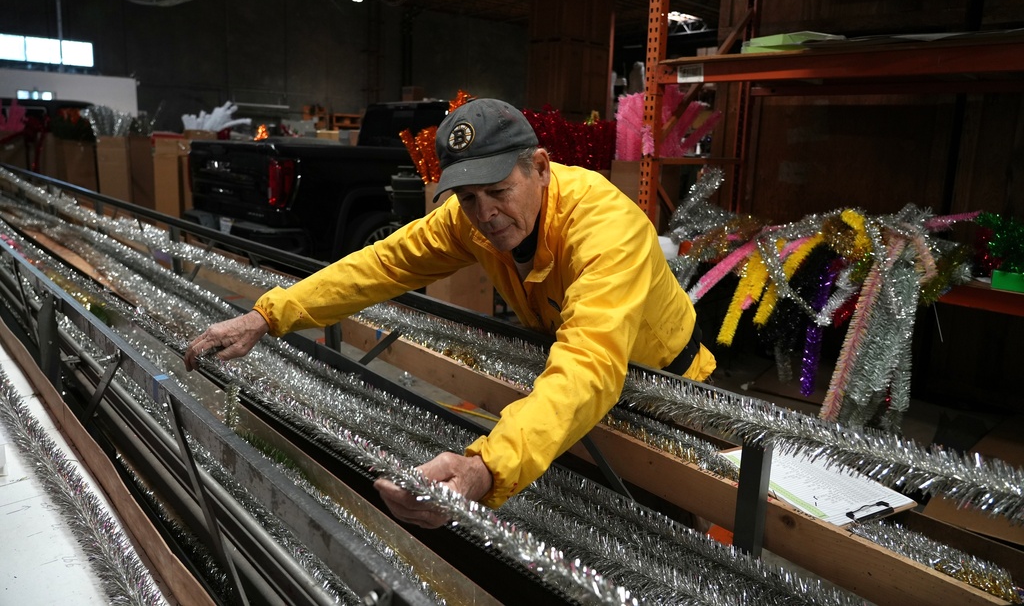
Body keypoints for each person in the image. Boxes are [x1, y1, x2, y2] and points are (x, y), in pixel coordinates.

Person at [184, 98, 715, 528]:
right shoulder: (472, 217)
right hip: (577, 397)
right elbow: (380, 265)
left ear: (540, 167)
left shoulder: (604, 230)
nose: (485, 215)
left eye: (498, 191)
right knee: (584, 519)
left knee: (654, 536)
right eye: (466, 198)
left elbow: (591, 362)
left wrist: (485, 466)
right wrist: (267, 315)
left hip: (666, 400)